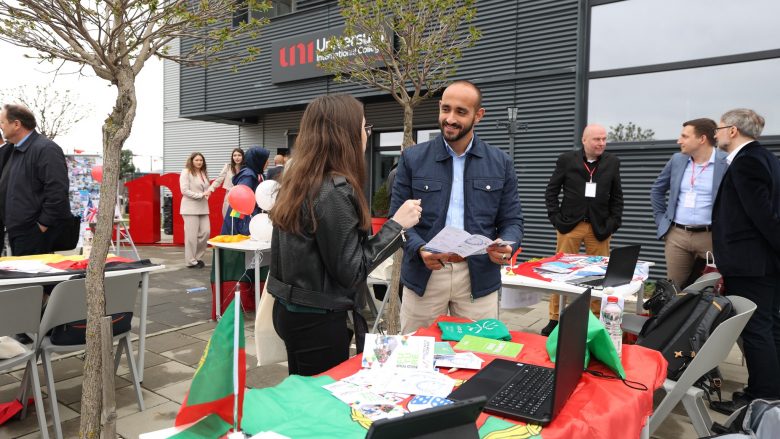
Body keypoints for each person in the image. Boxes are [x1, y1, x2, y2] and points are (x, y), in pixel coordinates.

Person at [268, 94, 421, 376]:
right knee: (319, 404)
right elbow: (352, 270)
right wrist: (396, 225)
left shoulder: (299, 180)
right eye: (364, 128)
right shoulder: (334, 191)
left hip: (293, 311)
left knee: (304, 394)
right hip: (318, 321)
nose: (366, 135)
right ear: (346, 135)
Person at [389, 80, 524, 335]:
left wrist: (507, 245)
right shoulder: (412, 159)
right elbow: (397, 220)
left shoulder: (501, 163)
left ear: (478, 115)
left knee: (480, 355)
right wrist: (419, 249)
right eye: (446, 109)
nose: (450, 119)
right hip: (425, 275)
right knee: (416, 355)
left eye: (461, 112)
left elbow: (513, 220)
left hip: (478, 275)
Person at [709, 109, 780, 415]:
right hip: (764, 262)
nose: (716, 134)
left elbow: (762, 215)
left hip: (750, 264)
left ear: (734, 130)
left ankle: (762, 396)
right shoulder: (767, 157)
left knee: (755, 328)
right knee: (771, 325)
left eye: (719, 128)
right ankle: (772, 389)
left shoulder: (747, 161)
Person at [543, 124, 623, 336]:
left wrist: (613, 223)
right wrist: (556, 219)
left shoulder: (612, 163)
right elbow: (551, 191)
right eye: (597, 139)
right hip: (570, 225)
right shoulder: (567, 160)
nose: (601, 143)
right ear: (585, 140)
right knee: (560, 271)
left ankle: (594, 319)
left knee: (599, 275)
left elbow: (617, 197)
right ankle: (555, 318)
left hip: (599, 228)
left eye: (604, 139)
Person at [650, 119, 728, 289]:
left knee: (715, 288)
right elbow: (657, 190)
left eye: (684, 136)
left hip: (711, 237)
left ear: (702, 139)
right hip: (677, 236)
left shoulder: (726, 161)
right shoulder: (677, 160)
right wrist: (662, 221)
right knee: (674, 288)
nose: (679, 140)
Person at [0, 104, 70, 256]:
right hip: (17, 233)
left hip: (34, 234)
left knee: (36, 279)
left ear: (16, 124)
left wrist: (42, 225)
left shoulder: (46, 149)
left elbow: (57, 191)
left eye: (3, 122)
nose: (1, 127)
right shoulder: (12, 151)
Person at [220, 146, 270, 235]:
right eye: (265, 160)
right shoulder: (248, 176)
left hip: (252, 218)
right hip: (244, 221)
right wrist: (239, 226)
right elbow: (239, 202)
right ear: (257, 160)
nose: (268, 162)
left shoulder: (258, 174)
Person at [179, 152, 211, 268]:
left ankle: (197, 257)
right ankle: (191, 261)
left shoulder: (203, 173)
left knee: (206, 232)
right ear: (192, 161)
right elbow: (184, 190)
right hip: (190, 208)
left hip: (203, 207)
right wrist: (201, 195)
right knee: (191, 237)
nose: (199, 162)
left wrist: (207, 193)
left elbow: (207, 189)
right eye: (197, 160)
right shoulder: (186, 172)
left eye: (201, 160)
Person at [209, 148, 244, 216]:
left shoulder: (245, 169)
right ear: (232, 157)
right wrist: (210, 189)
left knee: (238, 219)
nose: (237, 157)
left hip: (241, 198)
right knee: (228, 219)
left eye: (239, 155)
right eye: (235, 155)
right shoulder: (228, 167)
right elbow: (219, 179)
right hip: (229, 197)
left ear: (243, 156)